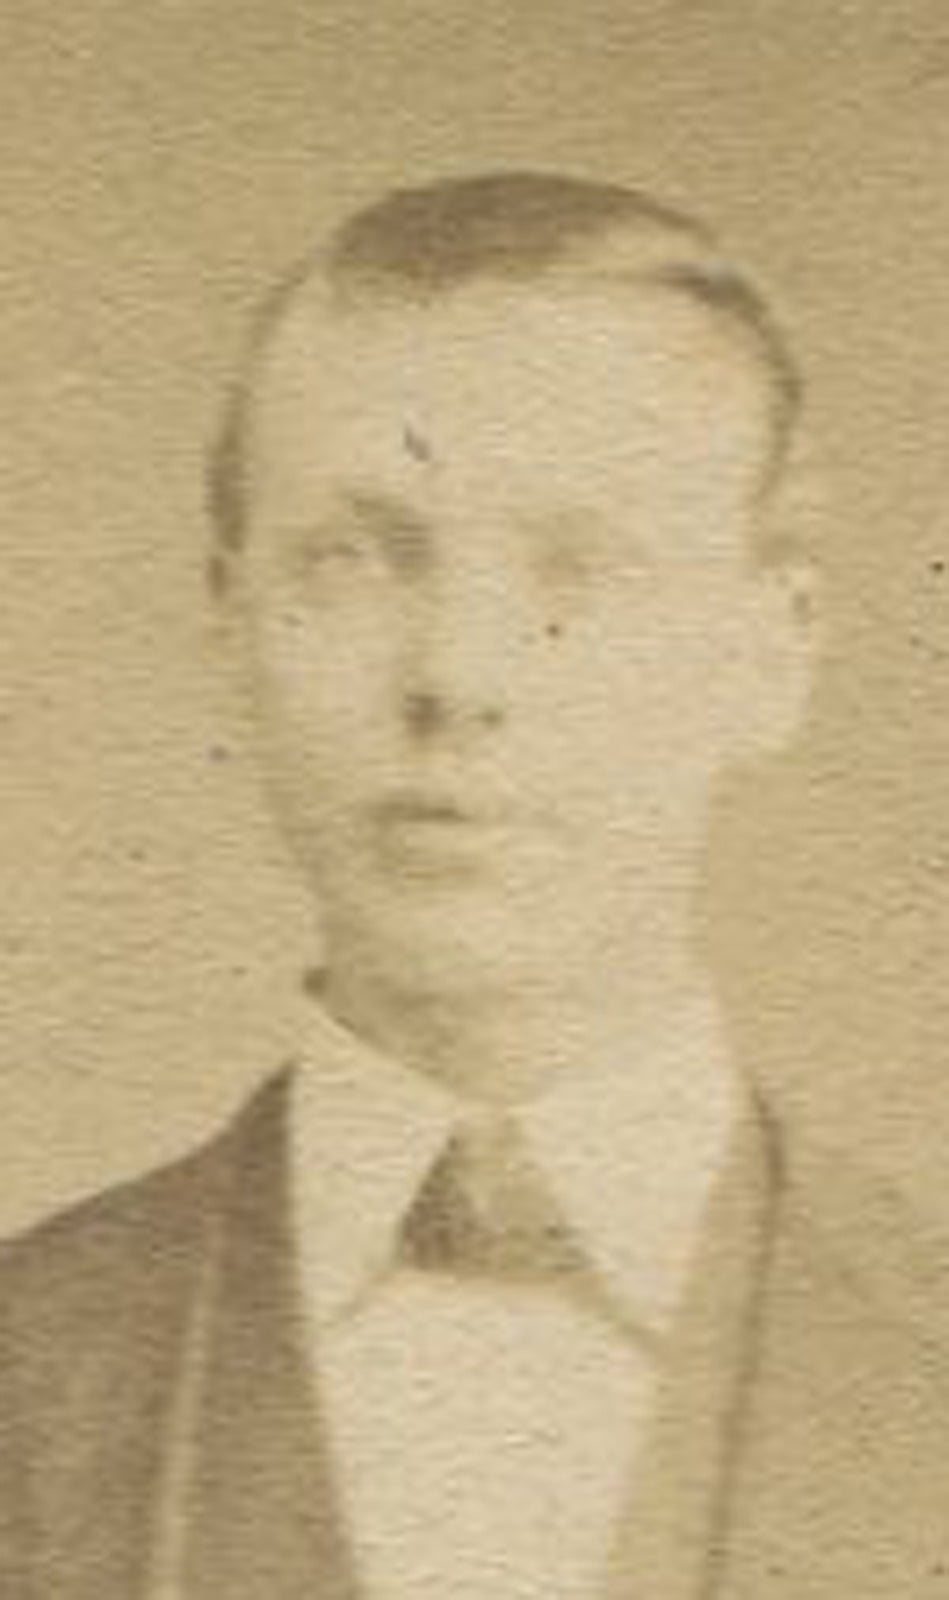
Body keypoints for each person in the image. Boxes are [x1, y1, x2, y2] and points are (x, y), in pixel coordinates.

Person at [0, 170, 941, 1599]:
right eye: (352, 560)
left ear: (774, 647)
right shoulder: (31, 1362)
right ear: (226, 623)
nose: (458, 676)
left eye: (579, 565)